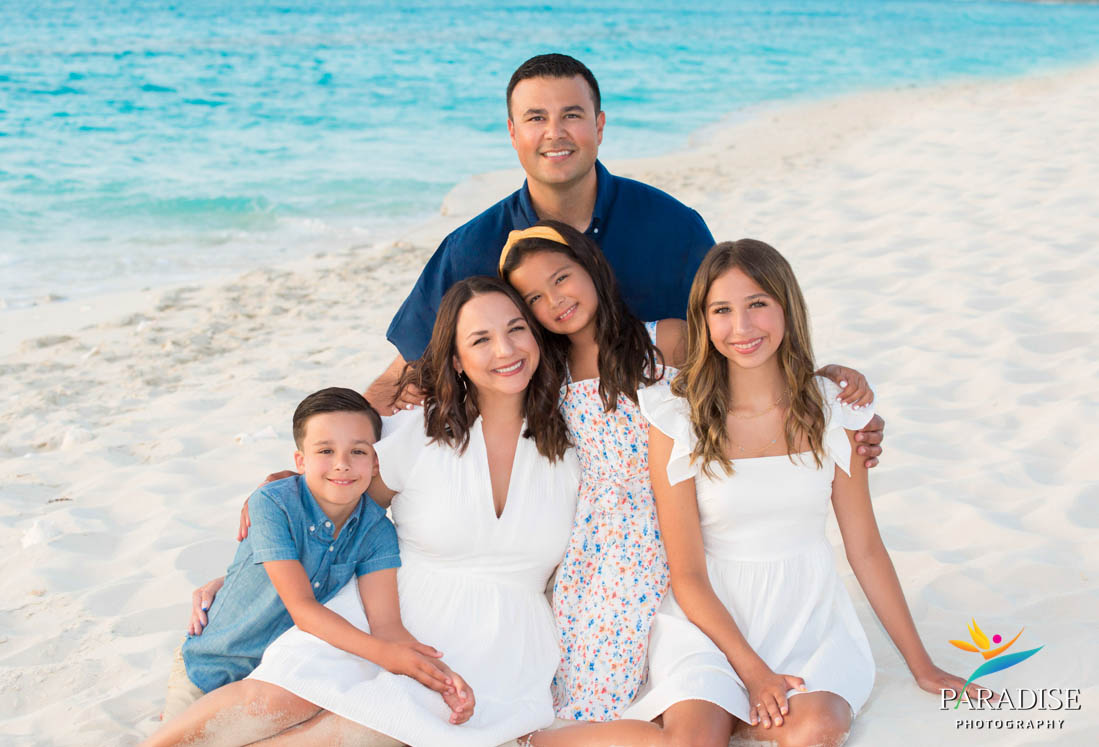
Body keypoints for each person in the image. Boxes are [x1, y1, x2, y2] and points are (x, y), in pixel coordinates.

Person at [160, 277, 581, 746]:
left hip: (502, 636)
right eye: (481, 339)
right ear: (457, 360)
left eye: (516, 329)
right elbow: (334, 511)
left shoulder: (577, 439)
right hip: (388, 604)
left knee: (355, 734)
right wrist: (248, 570)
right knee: (278, 700)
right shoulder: (419, 432)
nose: (505, 349)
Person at [500, 224, 872, 743]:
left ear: (591, 267)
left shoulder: (666, 338)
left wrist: (831, 380)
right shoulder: (548, 370)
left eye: (562, 278)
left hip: (689, 515)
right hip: (608, 540)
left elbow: (745, 357)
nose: (555, 300)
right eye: (534, 298)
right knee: (600, 698)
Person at [595, 239, 976, 747]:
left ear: (786, 307)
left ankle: (739, 713)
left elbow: (865, 549)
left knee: (816, 729)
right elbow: (686, 574)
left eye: (758, 304)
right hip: (710, 619)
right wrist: (752, 672)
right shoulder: (676, 418)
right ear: (703, 322)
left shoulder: (834, 410)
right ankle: (547, 739)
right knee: (695, 740)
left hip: (808, 614)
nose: (743, 327)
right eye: (722, 311)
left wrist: (922, 666)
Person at [366, 52, 715, 416]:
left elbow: (730, 345)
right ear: (513, 134)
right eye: (536, 118)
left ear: (599, 126)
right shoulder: (469, 249)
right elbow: (406, 373)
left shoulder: (674, 228)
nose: (554, 132)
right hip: (532, 452)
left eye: (572, 115)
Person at [145, 388, 472, 746]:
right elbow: (302, 608)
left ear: (376, 462)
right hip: (211, 664)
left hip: (281, 677)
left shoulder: (377, 531)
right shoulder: (273, 503)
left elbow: (388, 627)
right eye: (325, 451)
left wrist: (439, 677)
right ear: (300, 461)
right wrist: (386, 655)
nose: (342, 463)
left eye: (358, 451)